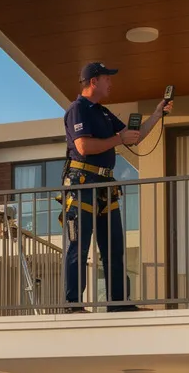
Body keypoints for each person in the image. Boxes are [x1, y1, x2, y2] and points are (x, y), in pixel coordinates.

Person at [60, 62, 170, 312]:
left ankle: (119, 304)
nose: (111, 82)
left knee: (114, 246)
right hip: (82, 184)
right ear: (93, 81)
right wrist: (119, 139)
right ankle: (72, 304)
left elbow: (135, 136)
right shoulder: (78, 110)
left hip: (105, 185)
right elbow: (83, 148)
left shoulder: (103, 112)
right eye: (107, 78)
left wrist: (157, 114)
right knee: (80, 243)